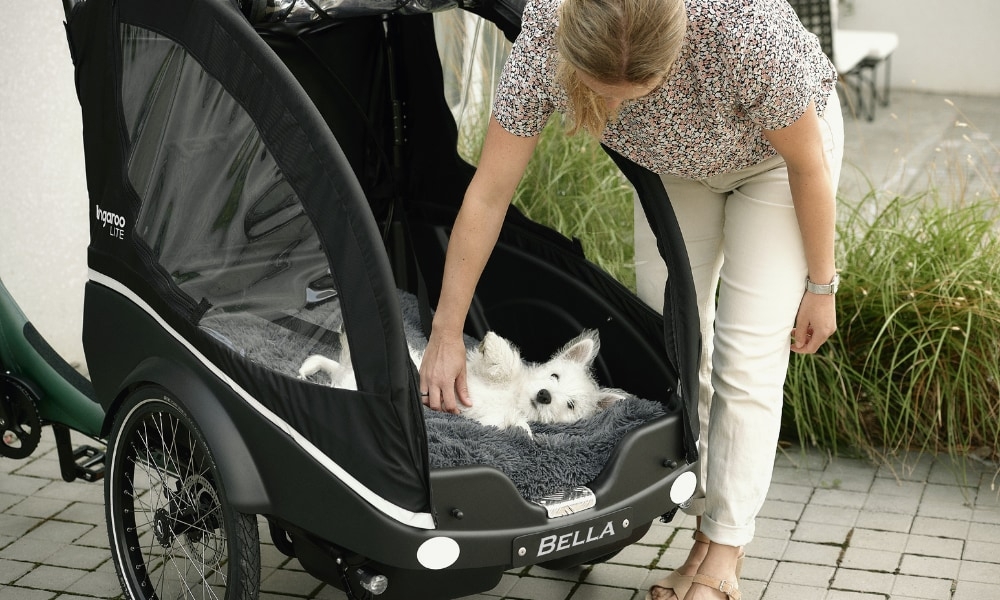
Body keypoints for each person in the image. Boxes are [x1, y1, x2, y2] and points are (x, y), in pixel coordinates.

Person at [419, 0, 844, 597]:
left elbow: (807, 164)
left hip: (775, 166)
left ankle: (722, 548)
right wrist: (445, 333)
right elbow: (488, 195)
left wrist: (822, 285)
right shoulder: (546, 31)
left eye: (638, 91)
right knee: (673, 346)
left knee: (746, 360)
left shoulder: (743, 28)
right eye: (601, 94)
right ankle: (698, 505)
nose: (616, 108)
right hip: (673, 168)